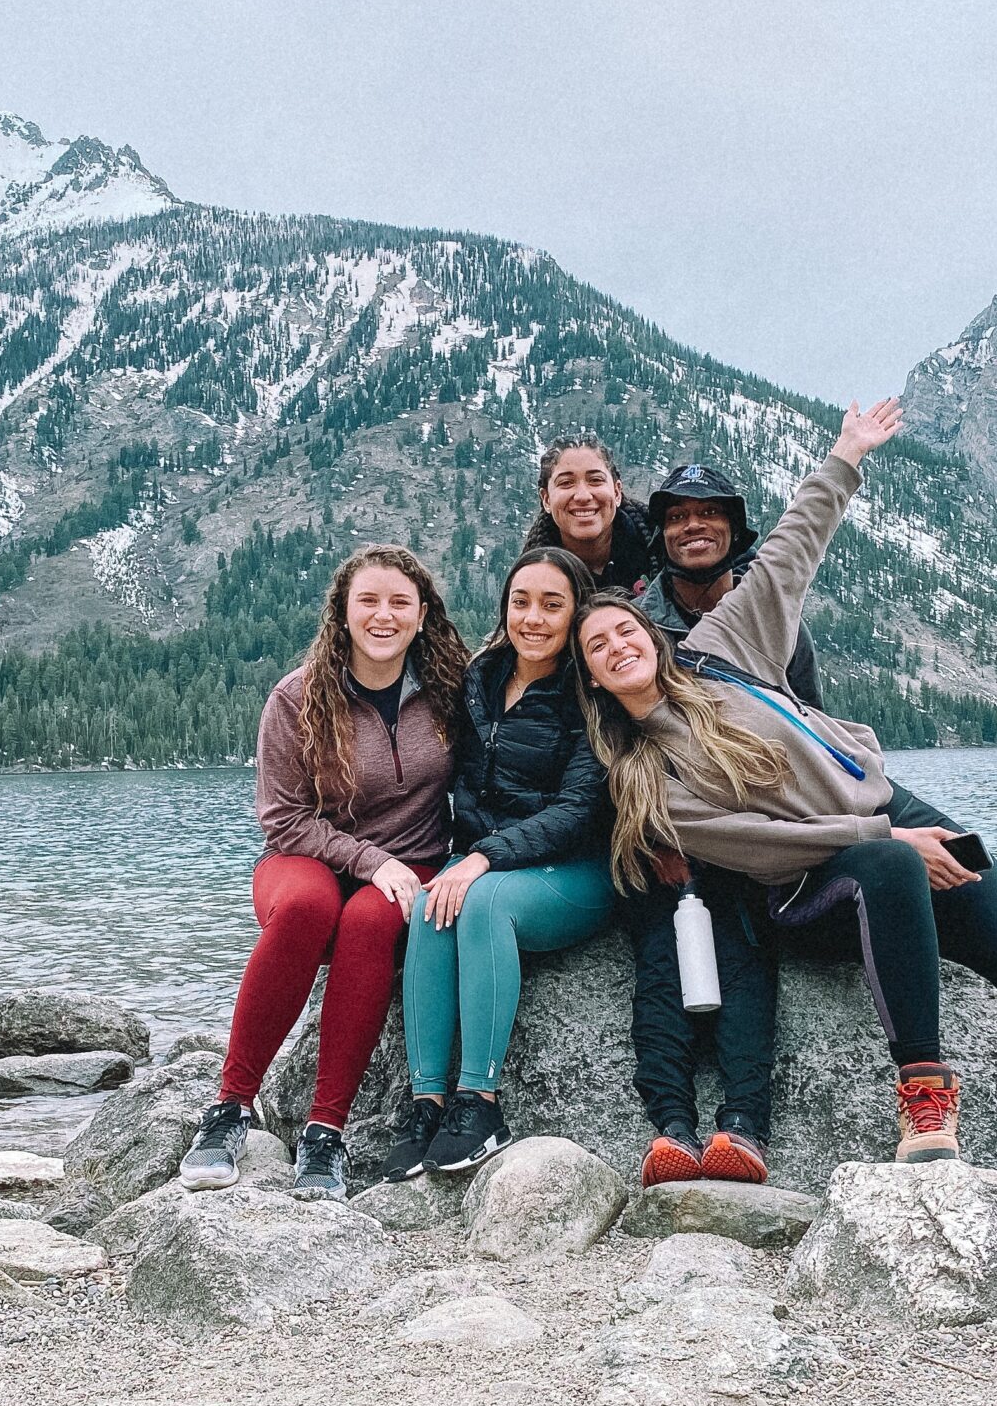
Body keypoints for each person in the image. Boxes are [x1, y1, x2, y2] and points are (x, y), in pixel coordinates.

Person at [573, 397, 997, 1185]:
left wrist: (847, 456)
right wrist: (887, 841)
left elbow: (794, 550)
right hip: (806, 881)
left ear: (650, 638)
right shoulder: (643, 776)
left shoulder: (722, 645)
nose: (620, 643)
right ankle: (923, 1099)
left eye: (626, 630)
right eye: (599, 645)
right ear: (591, 675)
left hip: (883, 807)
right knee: (899, 869)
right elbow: (759, 844)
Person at [180, 546, 469, 1202]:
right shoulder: (298, 696)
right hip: (303, 860)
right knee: (310, 911)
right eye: (368, 600)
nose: (384, 615)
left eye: (400, 602)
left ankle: (325, 1135)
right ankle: (229, 1109)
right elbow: (282, 819)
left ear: (422, 616)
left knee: (368, 923)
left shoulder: (451, 692)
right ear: (343, 610)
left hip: (410, 864)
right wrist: (370, 860)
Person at [384, 546, 613, 1181]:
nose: (533, 618)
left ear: (575, 615)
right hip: (487, 859)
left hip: (574, 871)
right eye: (521, 601)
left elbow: (576, 811)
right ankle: (427, 1101)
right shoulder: (481, 677)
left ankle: (479, 1104)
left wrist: (483, 857)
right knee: (432, 904)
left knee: (478, 902)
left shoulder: (591, 692)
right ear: (504, 606)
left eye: (552, 605)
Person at [639, 463, 824, 709]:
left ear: (735, 530)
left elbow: (813, 719)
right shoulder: (634, 625)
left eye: (710, 512)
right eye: (676, 516)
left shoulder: (776, 620)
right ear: (661, 536)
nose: (693, 525)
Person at [523, 436, 654, 595]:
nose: (583, 496)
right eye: (566, 483)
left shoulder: (660, 551)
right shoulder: (532, 576)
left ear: (617, 492)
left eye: (595, 480)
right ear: (546, 499)